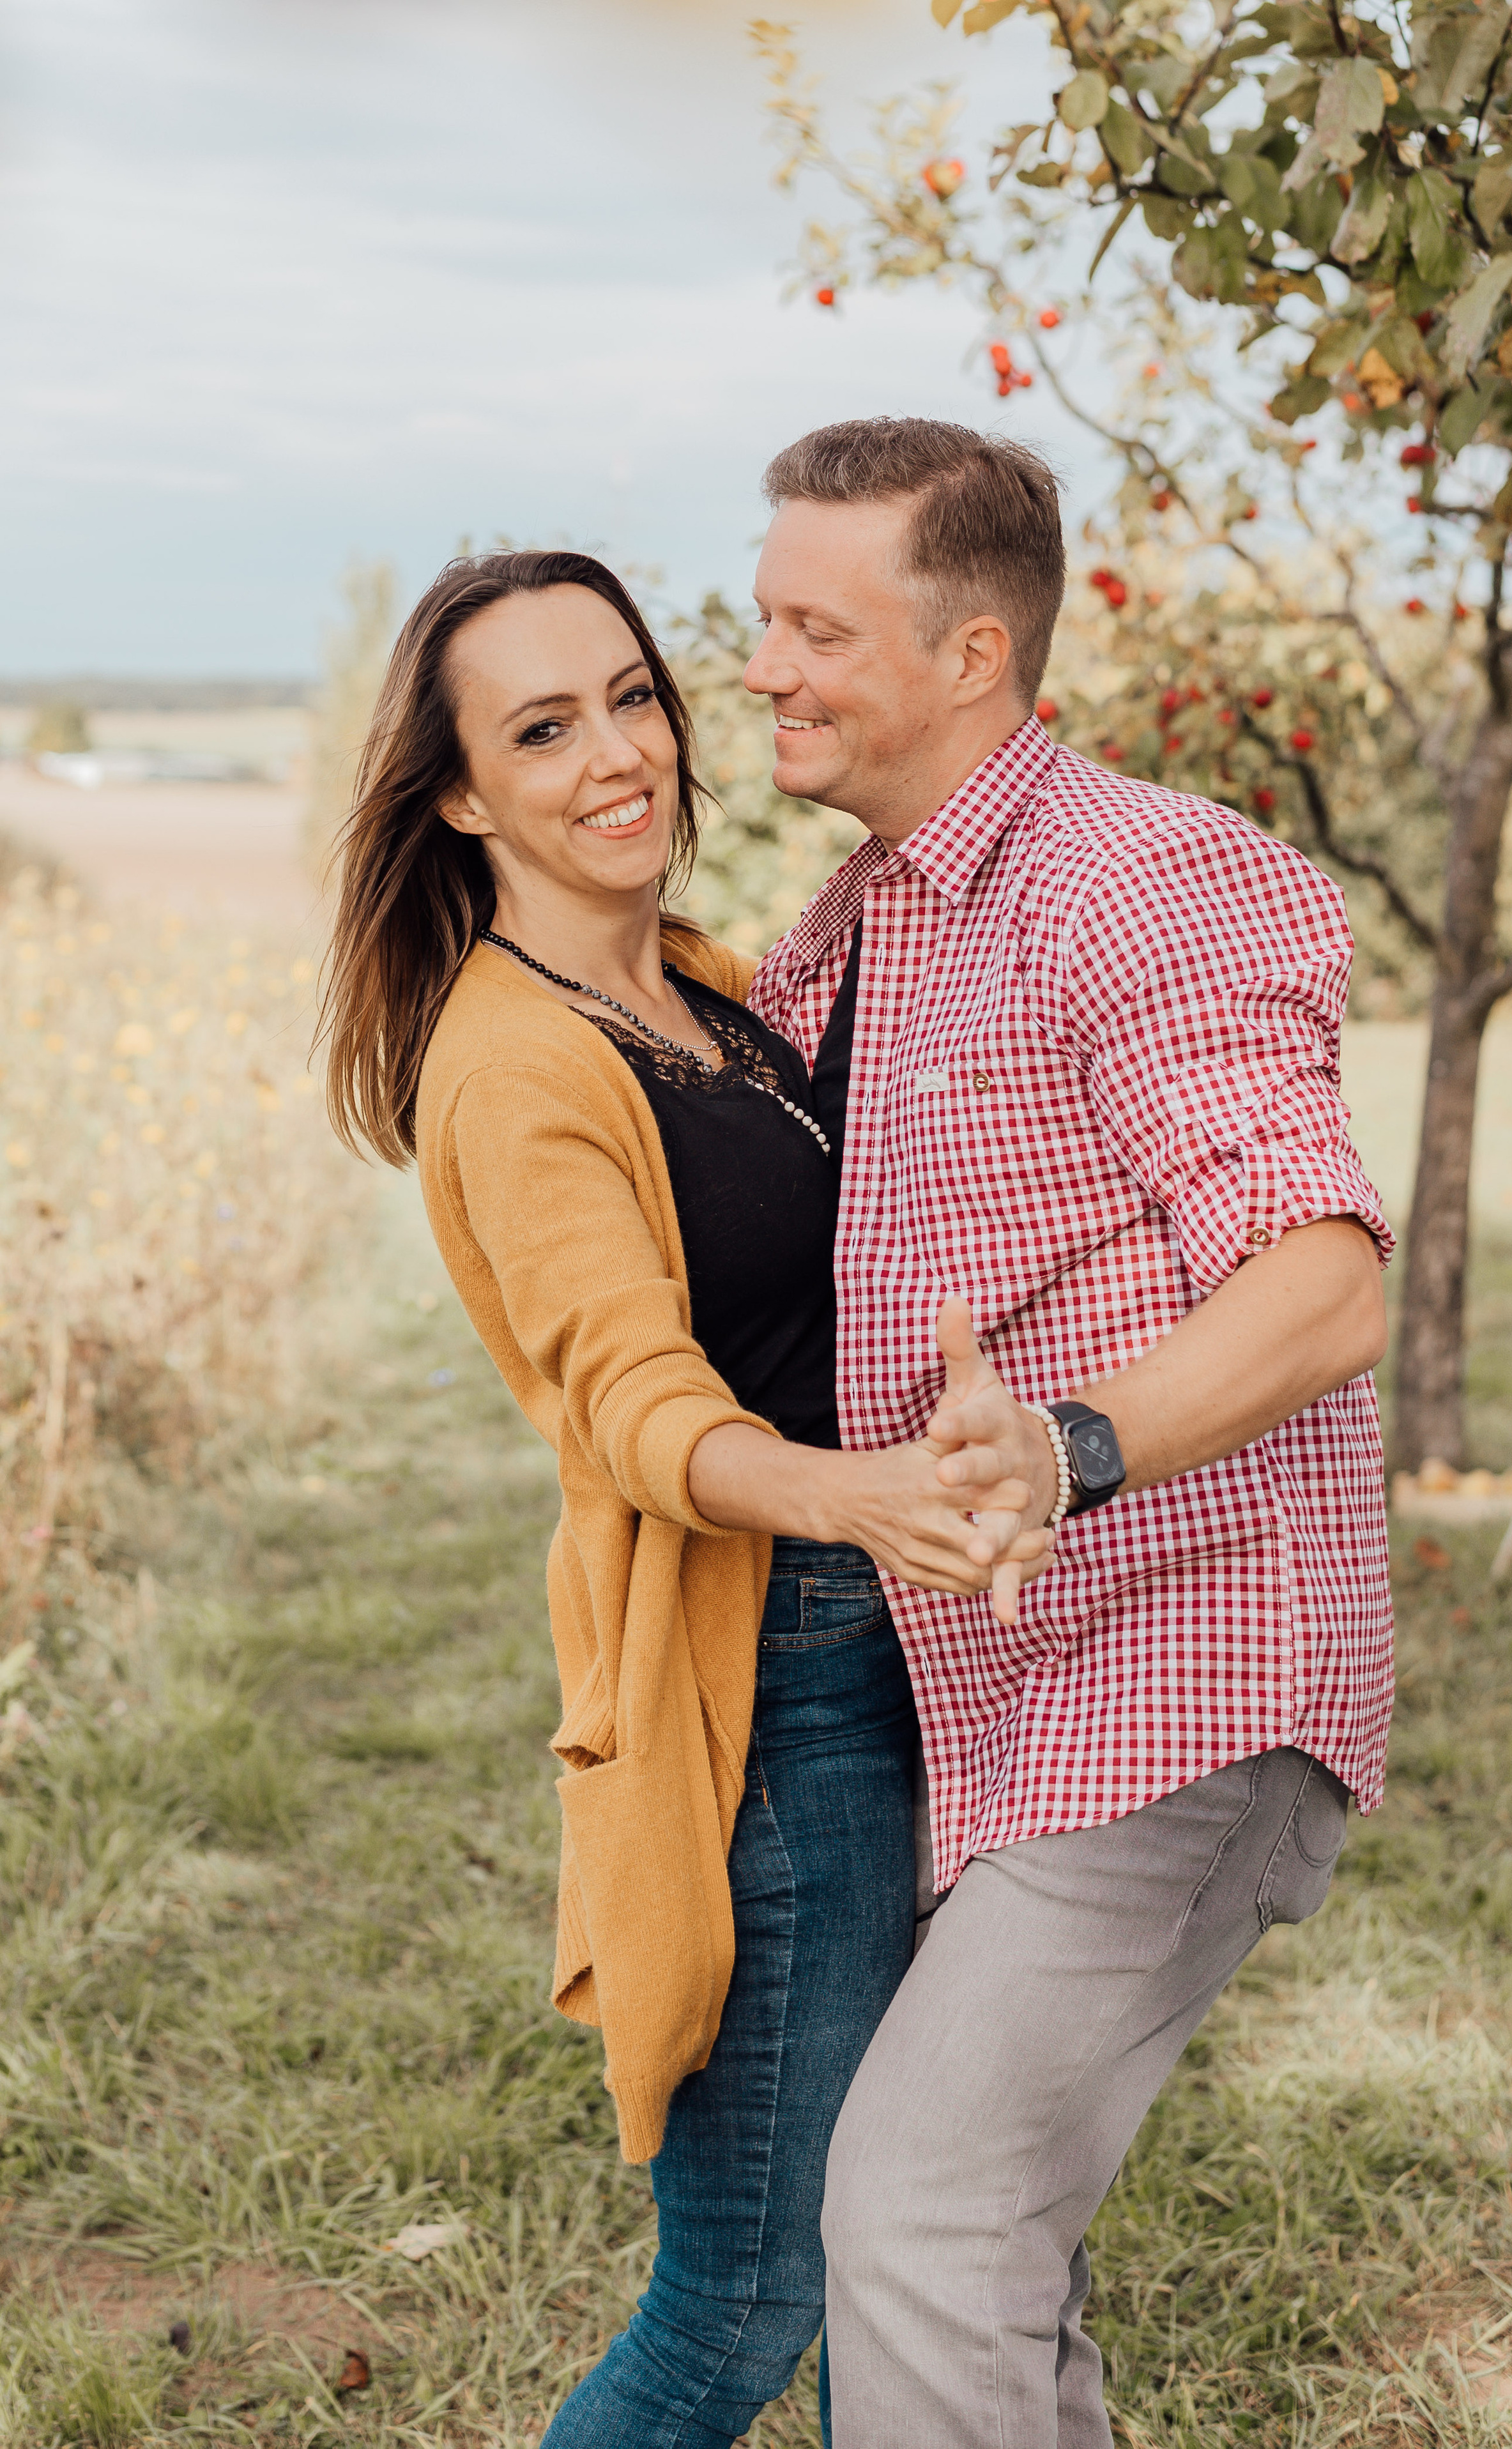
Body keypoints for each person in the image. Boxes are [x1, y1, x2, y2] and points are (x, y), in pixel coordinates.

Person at [316, 547, 1049, 2449]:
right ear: (462, 793)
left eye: (630, 695)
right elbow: (636, 1406)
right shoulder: (514, 1063)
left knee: (926, 2220)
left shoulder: (700, 988)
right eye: (542, 728)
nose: (615, 753)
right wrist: (856, 1497)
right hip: (774, 1684)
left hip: (884, 1631)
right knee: (747, 2291)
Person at [742, 419, 1394, 2448]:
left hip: (1177, 1674)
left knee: (926, 2216)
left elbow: (1323, 1278)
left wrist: (1070, 1447)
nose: (765, 665)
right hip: (988, 1692)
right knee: (998, 2268)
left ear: (972, 654)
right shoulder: (859, 921)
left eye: (817, 629)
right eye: (763, 618)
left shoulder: (1141, 877)